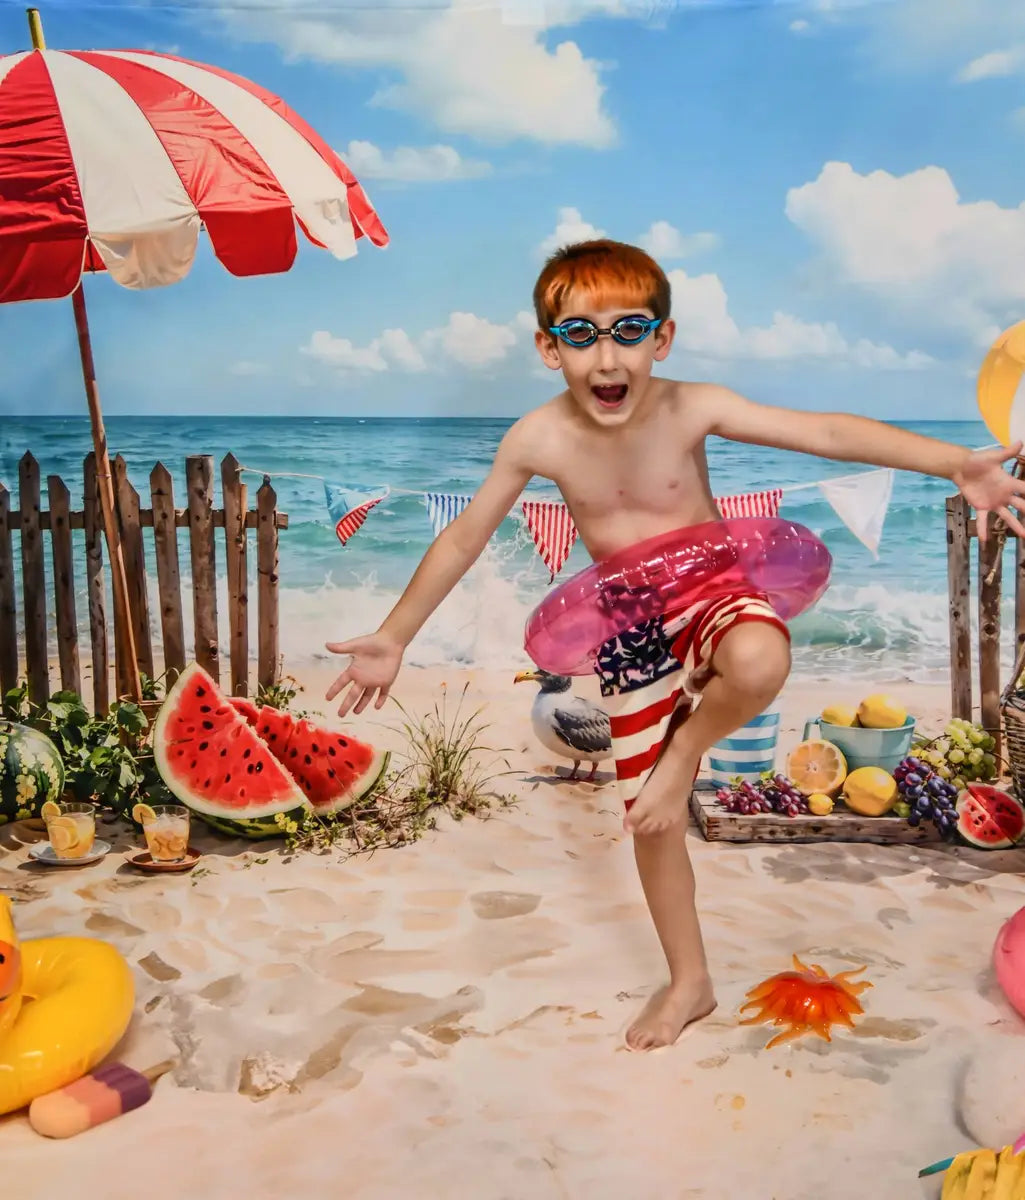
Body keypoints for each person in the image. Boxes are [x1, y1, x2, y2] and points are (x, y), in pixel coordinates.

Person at [325, 238, 1025, 1051]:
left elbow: (827, 431)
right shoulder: (535, 439)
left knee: (760, 661)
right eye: (580, 335)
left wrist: (954, 465)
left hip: (711, 584)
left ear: (662, 338)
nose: (606, 354)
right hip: (625, 617)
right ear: (548, 350)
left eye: (628, 329)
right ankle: (688, 980)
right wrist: (393, 635)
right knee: (652, 826)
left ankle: (685, 751)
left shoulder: (692, 406)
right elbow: (462, 540)